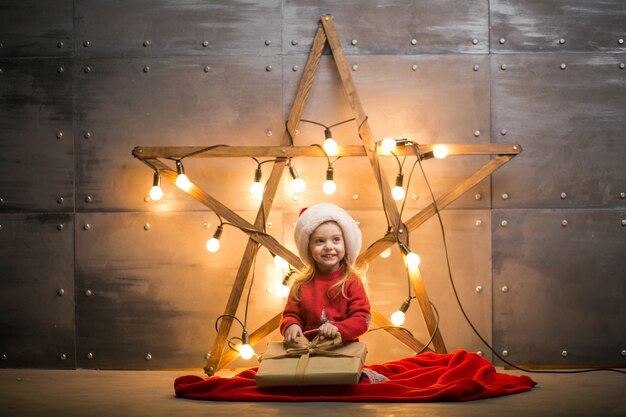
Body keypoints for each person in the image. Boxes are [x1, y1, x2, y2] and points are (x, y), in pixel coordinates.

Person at [280, 203, 371, 344]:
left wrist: (338, 328)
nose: (329, 247)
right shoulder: (300, 285)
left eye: (336, 240)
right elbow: (291, 314)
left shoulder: (351, 282)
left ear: (345, 243)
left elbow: (362, 319)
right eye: (320, 241)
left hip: (342, 351)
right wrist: (291, 325)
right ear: (308, 247)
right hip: (307, 351)